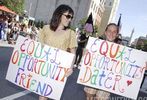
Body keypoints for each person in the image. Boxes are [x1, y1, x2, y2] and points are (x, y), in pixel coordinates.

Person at [38, 4, 77, 100]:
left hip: (57, 69)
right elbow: (38, 45)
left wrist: (71, 68)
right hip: (42, 66)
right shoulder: (46, 28)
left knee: (44, 95)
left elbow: (73, 52)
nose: (70, 19)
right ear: (59, 14)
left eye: (71, 17)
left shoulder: (70, 33)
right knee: (42, 95)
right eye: (68, 16)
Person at [84, 23, 119, 100]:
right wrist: (86, 53)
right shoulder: (95, 45)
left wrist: (142, 67)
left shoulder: (121, 51)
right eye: (109, 31)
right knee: (89, 96)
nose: (111, 33)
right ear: (105, 32)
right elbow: (86, 59)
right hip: (93, 75)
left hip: (107, 79)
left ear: (117, 34)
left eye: (114, 32)